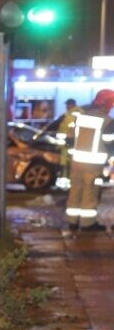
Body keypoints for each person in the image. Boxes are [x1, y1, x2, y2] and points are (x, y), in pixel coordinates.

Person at [66, 89, 114, 232]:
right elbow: (109, 142)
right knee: (90, 191)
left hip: (76, 162)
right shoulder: (107, 121)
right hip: (93, 163)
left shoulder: (80, 117)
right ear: (106, 104)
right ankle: (87, 224)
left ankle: (72, 222)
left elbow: (69, 138)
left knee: (75, 190)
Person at [56, 98, 80, 179]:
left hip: (71, 141)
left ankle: (68, 178)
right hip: (66, 141)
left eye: (67, 105)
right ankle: (65, 177)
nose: (66, 106)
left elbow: (70, 128)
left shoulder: (75, 113)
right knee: (65, 161)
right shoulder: (68, 113)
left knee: (69, 161)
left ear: (72, 104)